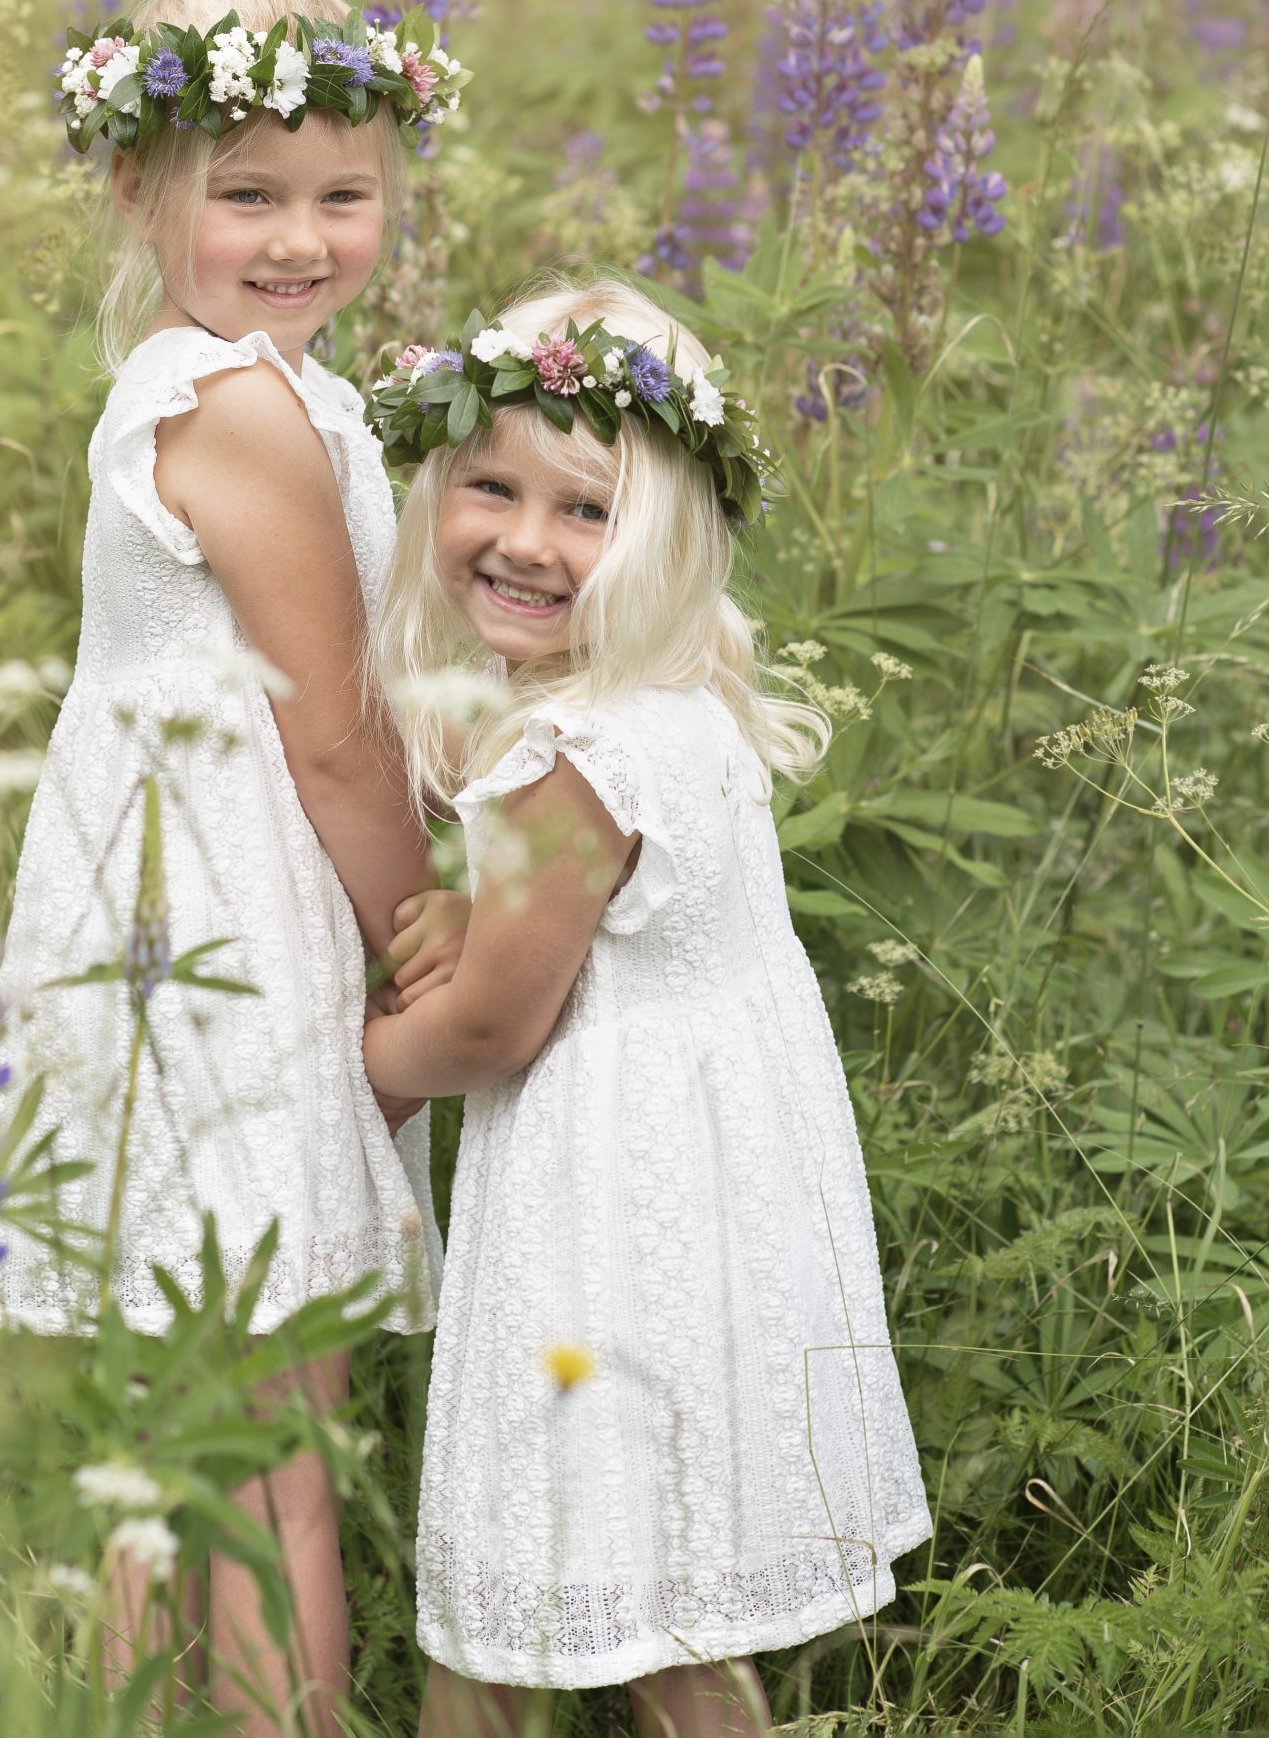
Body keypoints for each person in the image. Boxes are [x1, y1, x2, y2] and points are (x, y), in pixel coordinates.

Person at [0, 0, 471, 1732]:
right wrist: (425, 928)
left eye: (344, 195)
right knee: (269, 1434)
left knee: (178, 1414)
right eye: (246, 195)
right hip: (223, 936)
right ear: (140, 187)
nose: (300, 238)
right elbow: (332, 731)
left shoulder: (239, 384)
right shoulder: (239, 408)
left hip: (157, 911)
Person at [364, 275, 932, 1738]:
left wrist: (355, 1070)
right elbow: (588, 928)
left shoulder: (569, 748)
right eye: (490, 486)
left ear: (667, 538)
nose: (525, 541)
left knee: (537, 1570)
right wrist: (479, 910)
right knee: (683, 1598)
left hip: (605, 1213)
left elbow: (494, 1023)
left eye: (587, 511)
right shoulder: (676, 708)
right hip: (720, 1209)